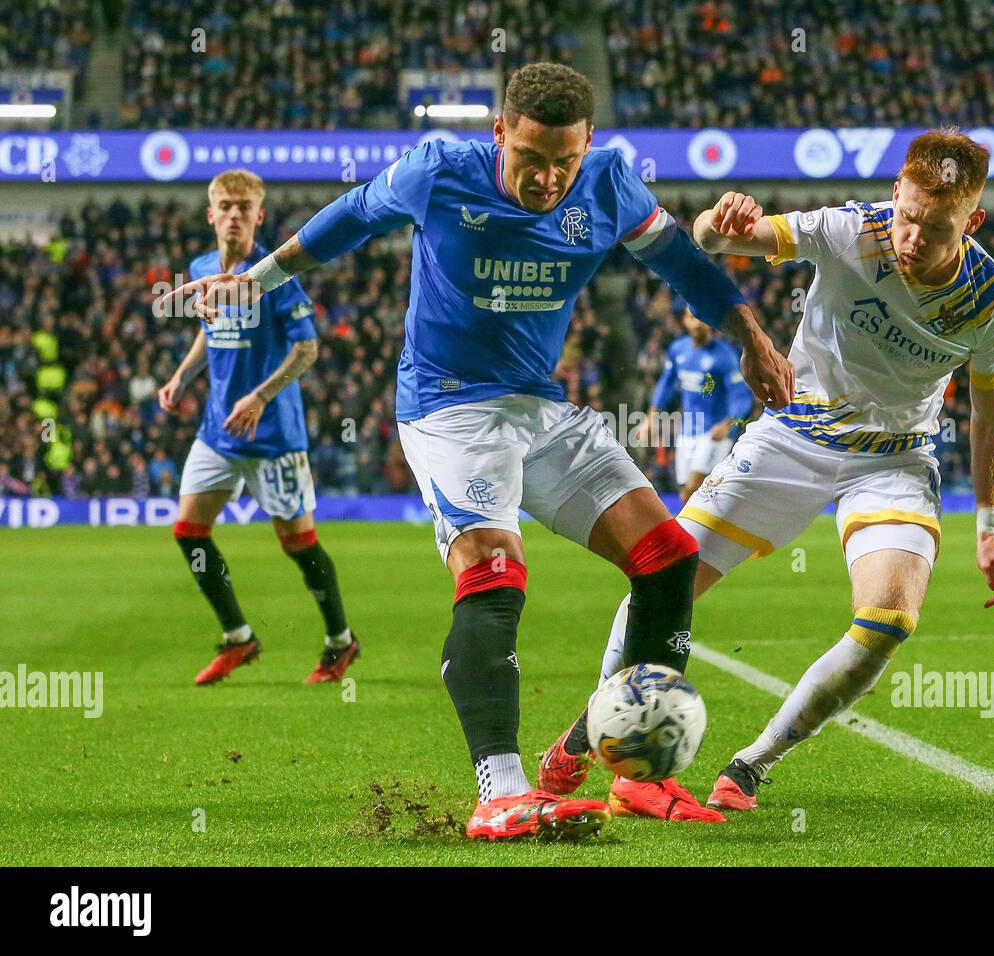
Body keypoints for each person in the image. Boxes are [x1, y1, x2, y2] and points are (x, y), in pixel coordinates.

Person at [165, 64, 792, 841]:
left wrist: (751, 336)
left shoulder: (608, 184)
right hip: (449, 405)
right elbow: (350, 218)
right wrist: (255, 281)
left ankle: (639, 778)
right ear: (500, 133)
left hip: (543, 406)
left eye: (564, 161)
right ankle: (501, 789)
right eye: (531, 158)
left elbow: (683, 265)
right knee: (494, 569)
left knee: (666, 560)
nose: (548, 178)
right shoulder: (439, 171)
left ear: (589, 143)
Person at [542, 127, 994, 818]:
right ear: (896, 195)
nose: (913, 238)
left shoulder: (989, 302)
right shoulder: (851, 230)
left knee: (888, 618)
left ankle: (751, 766)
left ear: (971, 221)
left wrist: (990, 528)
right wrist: (718, 221)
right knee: (665, 574)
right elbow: (713, 242)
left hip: (893, 460)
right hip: (791, 439)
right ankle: (595, 732)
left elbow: (991, 411)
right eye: (909, 217)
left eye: (937, 228)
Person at [159, 169, 359, 687]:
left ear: (258, 215)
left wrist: (260, 395)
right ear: (210, 214)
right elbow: (210, 332)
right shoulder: (202, 268)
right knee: (188, 531)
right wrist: (181, 377)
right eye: (224, 205)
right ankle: (238, 637)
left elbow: (307, 348)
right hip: (217, 432)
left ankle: (341, 640)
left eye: (243, 207)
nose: (233, 214)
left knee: (298, 544)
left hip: (273, 437)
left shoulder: (274, 274)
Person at [639, 308, 754, 501]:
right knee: (686, 495)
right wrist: (649, 419)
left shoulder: (724, 355)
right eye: (690, 318)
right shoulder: (678, 349)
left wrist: (728, 424)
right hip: (687, 432)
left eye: (700, 318)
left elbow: (741, 396)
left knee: (694, 489)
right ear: (684, 320)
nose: (695, 323)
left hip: (713, 433)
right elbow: (665, 384)